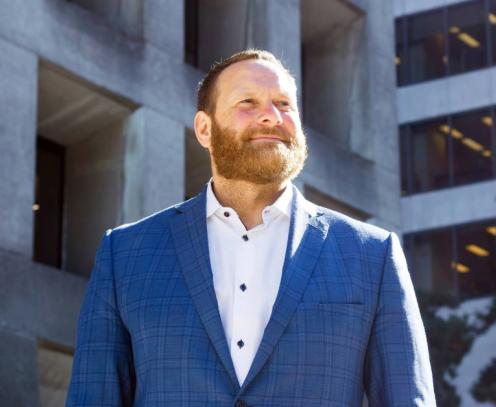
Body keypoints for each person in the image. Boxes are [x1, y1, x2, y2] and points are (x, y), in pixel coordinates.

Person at [66, 49, 435, 406]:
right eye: (248, 103)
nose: (271, 116)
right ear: (204, 128)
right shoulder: (126, 253)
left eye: (284, 104)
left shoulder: (372, 254)